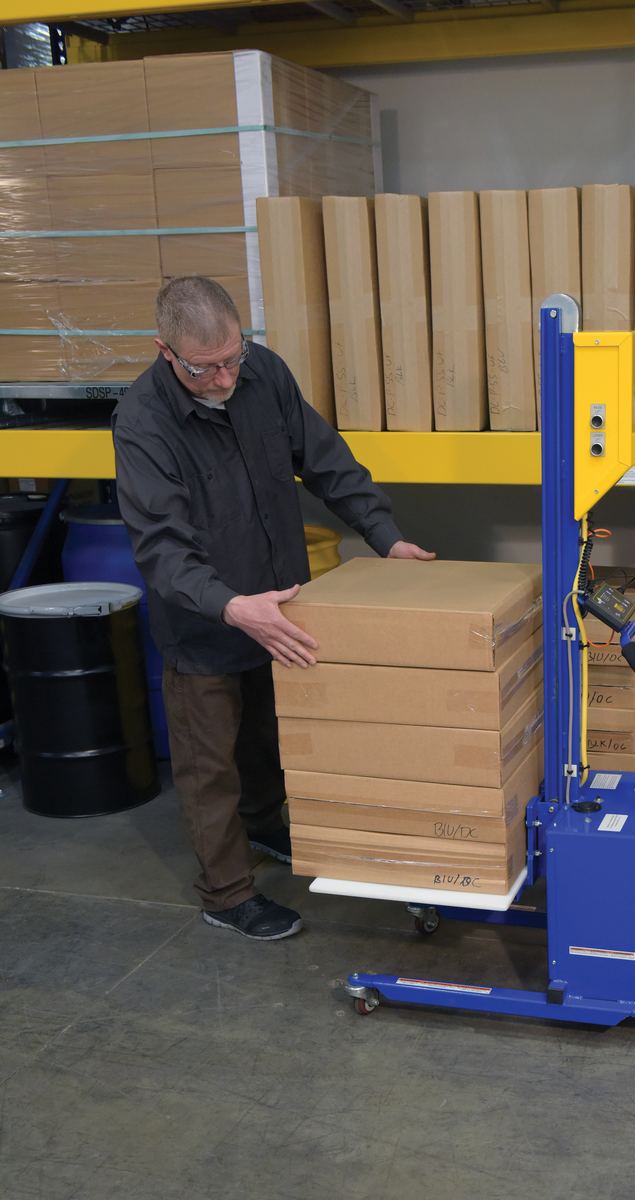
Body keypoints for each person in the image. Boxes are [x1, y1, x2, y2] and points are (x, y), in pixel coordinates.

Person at [113, 276, 434, 941]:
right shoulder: (143, 422)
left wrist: (385, 536)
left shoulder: (264, 374)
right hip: (206, 620)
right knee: (210, 766)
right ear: (165, 351)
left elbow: (327, 462)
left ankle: (263, 827)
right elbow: (163, 548)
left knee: (268, 735)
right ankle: (227, 893)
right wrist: (232, 607)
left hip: (282, 606)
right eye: (204, 368)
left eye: (234, 357)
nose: (225, 378)